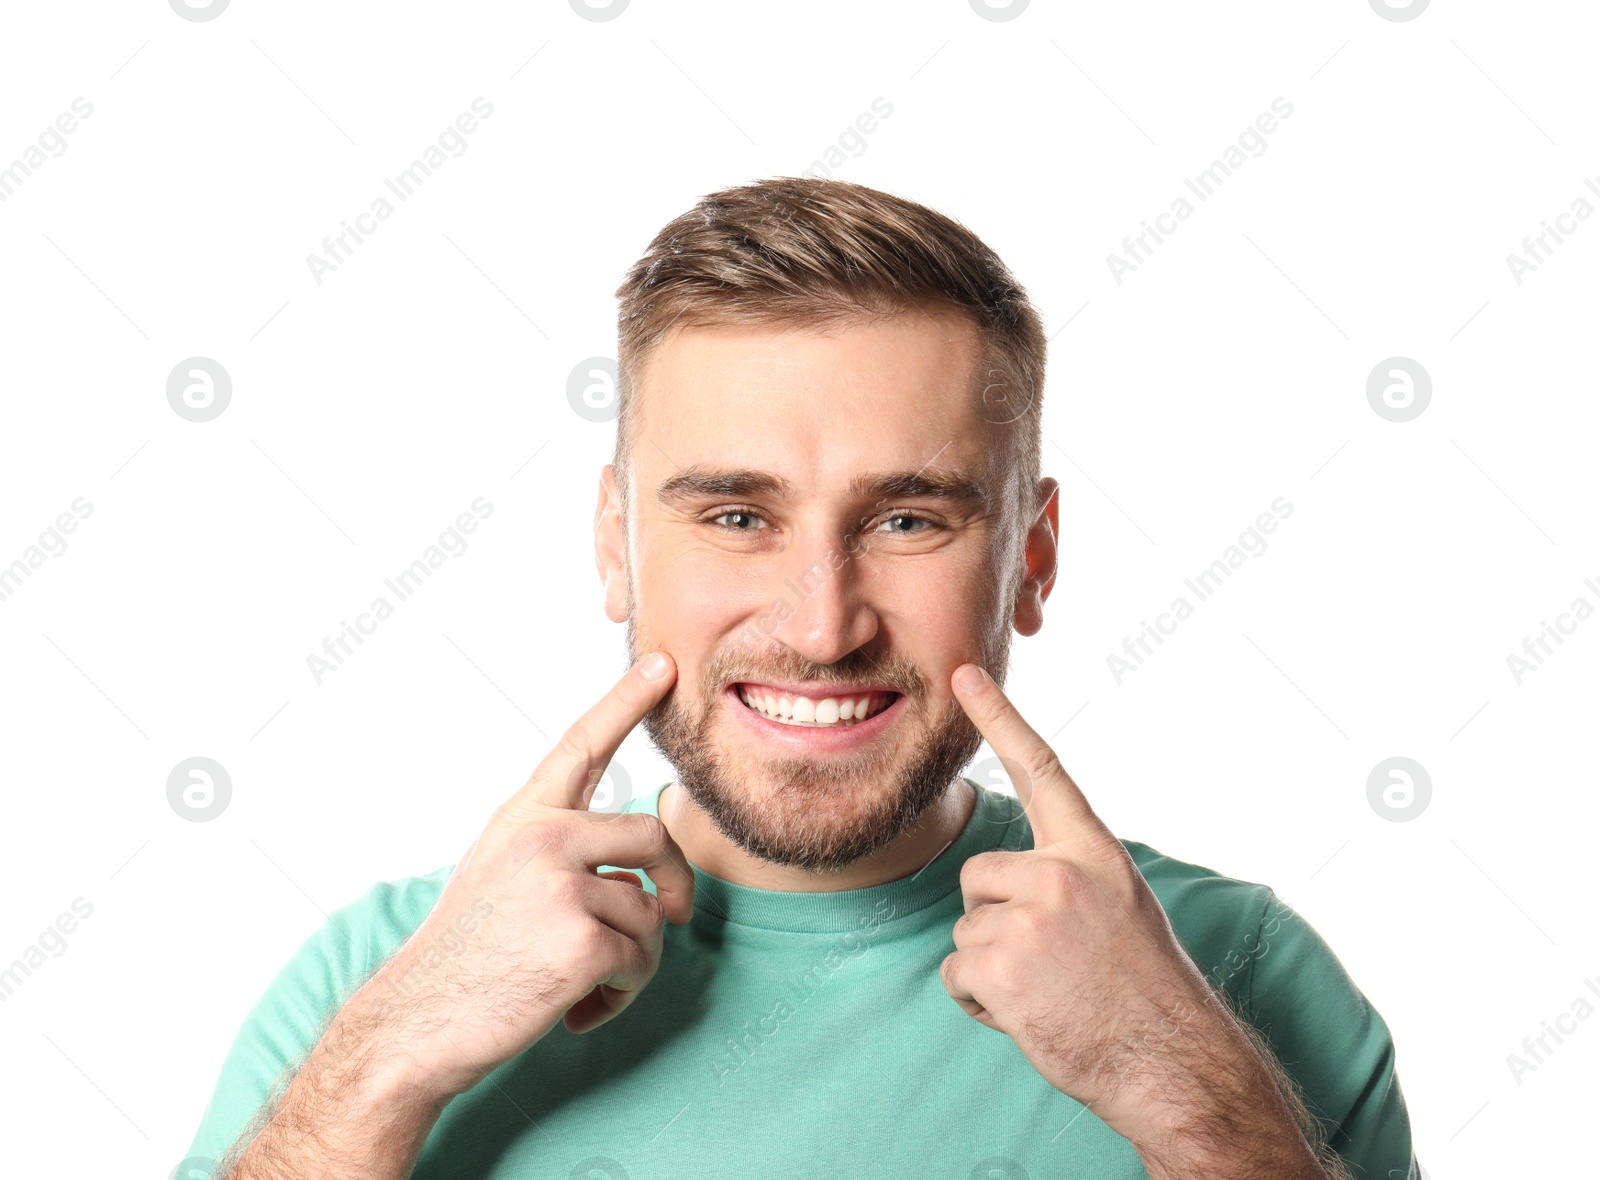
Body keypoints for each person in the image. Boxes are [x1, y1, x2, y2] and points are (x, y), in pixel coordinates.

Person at [182, 176, 1419, 1179]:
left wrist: (1184, 1094)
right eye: (733, 515)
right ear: (614, 544)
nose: (822, 626)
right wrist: (393, 1059)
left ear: (1030, 560)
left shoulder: (1234, 974)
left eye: (907, 521)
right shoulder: (375, 979)